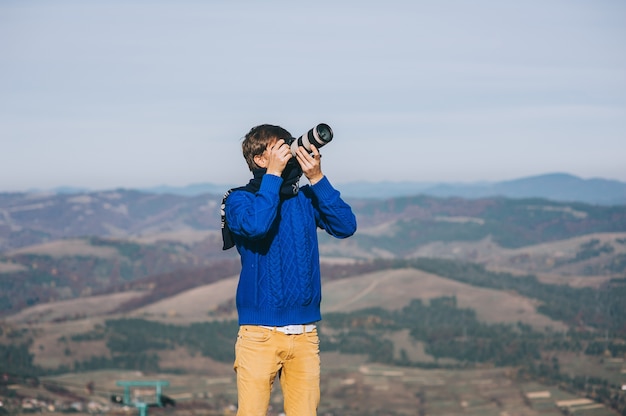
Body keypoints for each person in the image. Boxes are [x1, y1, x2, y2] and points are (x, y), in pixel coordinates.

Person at [221, 124, 357, 415]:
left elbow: (346, 227)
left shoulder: (305, 199)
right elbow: (256, 226)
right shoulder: (238, 200)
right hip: (259, 335)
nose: (287, 152)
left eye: (288, 146)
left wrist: (317, 178)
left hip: (305, 334)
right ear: (259, 159)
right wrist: (273, 175)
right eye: (278, 148)